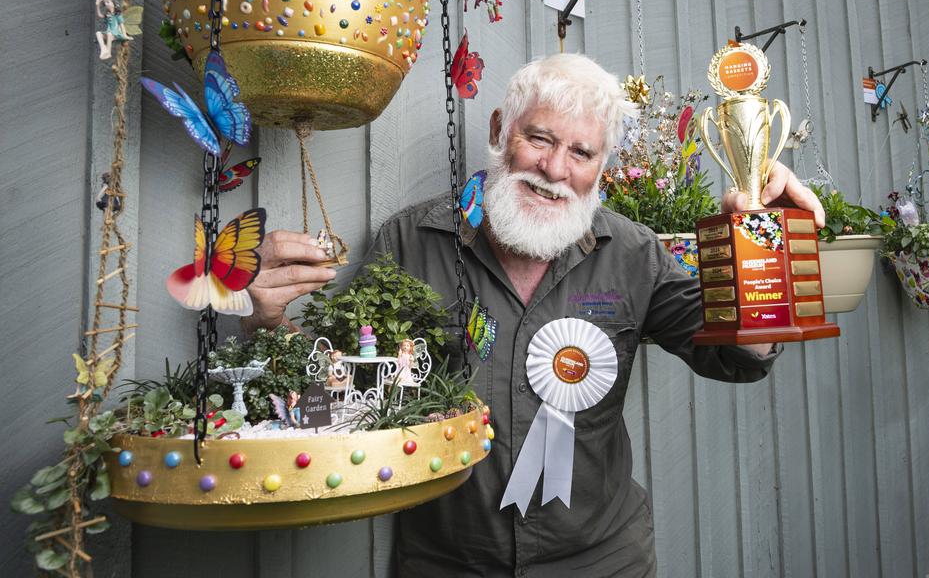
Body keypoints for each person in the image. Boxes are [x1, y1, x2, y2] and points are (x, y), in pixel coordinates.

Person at [243, 53, 825, 577]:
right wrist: (267, 323)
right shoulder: (410, 241)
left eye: (582, 152)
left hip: (602, 561)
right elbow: (345, 385)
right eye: (539, 139)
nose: (554, 169)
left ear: (602, 166)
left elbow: (734, 353)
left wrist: (763, 252)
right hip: (450, 563)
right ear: (500, 131)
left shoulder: (634, 253)